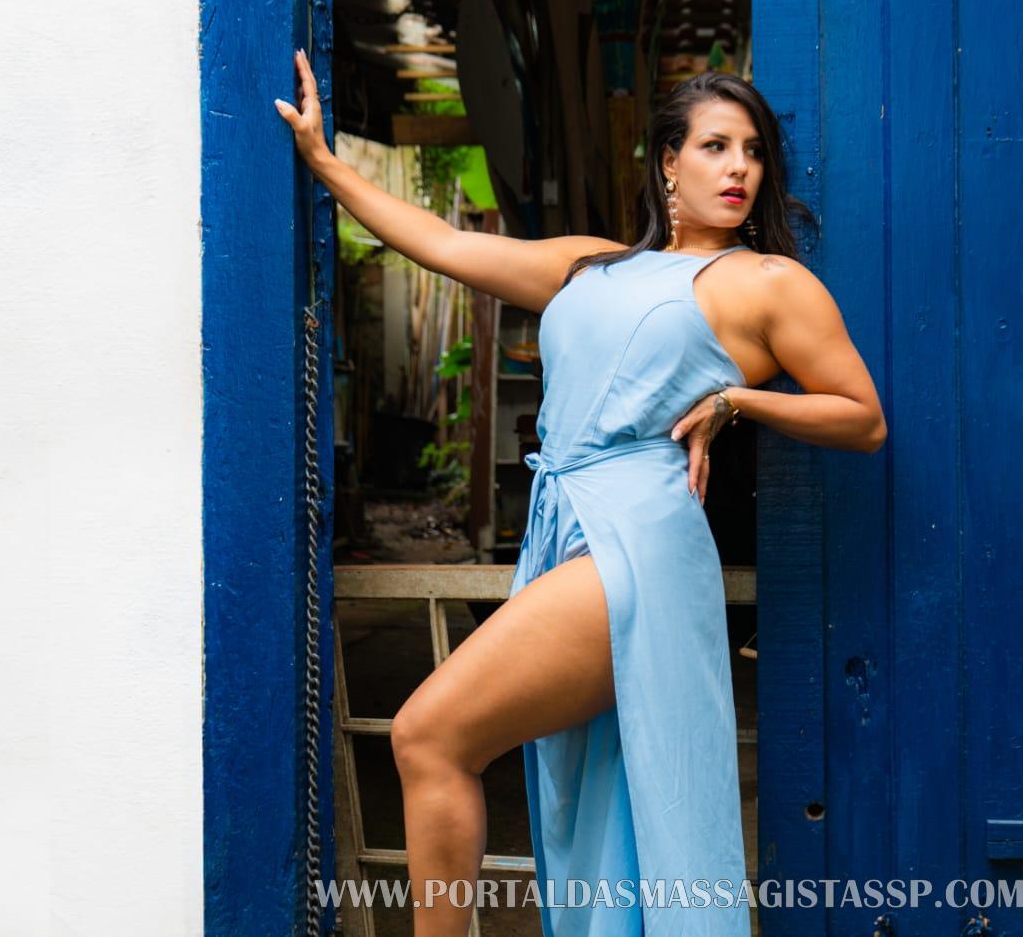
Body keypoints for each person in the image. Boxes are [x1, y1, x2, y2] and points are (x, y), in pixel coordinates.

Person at [276, 50, 886, 937]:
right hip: (561, 526)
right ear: (668, 161)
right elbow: (445, 244)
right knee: (591, 799)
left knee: (427, 735)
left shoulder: (767, 283)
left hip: (637, 540)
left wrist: (736, 401)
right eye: (716, 146)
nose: (740, 168)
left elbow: (862, 416)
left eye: (754, 152)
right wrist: (325, 163)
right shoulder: (590, 264)